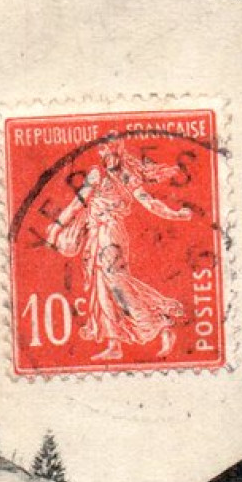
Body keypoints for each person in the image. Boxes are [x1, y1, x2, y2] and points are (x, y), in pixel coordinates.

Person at [42, 138, 190, 362]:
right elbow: (77, 203)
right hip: (97, 235)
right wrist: (55, 227)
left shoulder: (125, 176)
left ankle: (159, 323)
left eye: (113, 150)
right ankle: (115, 344)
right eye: (105, 151)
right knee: (102, 288)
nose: (109, 154)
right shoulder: (98, 175)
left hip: (110, 235)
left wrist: (175, 214)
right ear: (102, 153)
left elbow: (149, 203)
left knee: (116, 284)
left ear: (119, 152)